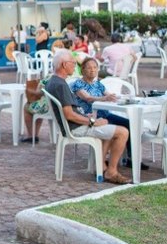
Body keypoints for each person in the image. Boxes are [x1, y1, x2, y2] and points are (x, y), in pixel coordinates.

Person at [46, 50, 131, 184]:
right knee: (123, 132)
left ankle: (101, 167)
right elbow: (68, 114)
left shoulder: (54, 81)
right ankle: (111, 172)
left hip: (75, 123)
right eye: (73, 63)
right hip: (75, 128)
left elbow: (71, 111)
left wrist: (87, 116)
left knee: (107, 124)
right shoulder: (61, 85)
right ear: (64, 65)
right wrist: (92, 121)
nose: (75, 66)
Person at [70, 57, 148, 171]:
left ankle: (131, 158)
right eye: (89, 68)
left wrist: (117, 97)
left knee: (129, 124)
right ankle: (105, 160)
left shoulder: (98, 84)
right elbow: (88, 98)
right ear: (83, 70)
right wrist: (105, 98)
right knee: (118, 128)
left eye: (95, 67)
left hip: (105, 113)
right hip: (92, 116)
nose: (92, 70)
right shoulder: (77, 84)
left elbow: (109, 95)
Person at [20, 75, 52, 143]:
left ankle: (31, 135)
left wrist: (29, 90)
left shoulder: (50, 77)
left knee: (27, 106)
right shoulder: (72, 78)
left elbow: (39, 92)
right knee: (40, 104)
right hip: (60, 106)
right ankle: (35, 134)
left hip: (50, 107)